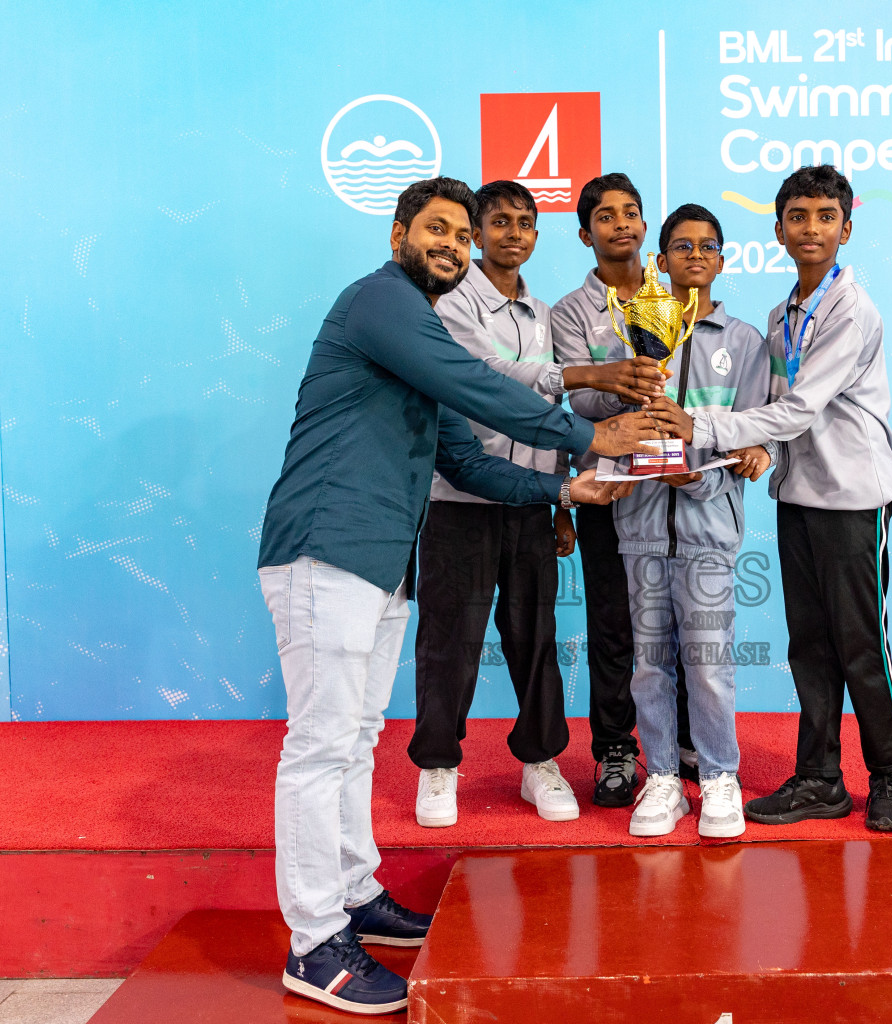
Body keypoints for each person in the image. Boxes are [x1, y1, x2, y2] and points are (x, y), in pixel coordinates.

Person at [256, 177, 656, 1015]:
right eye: (435, 229)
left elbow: (464, 459)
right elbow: (479, 388)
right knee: (323, 745)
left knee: (359, 737)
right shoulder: (381, 302)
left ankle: (355, 895)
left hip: (380, 560)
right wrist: (587, 434)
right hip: (326, 546)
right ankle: (312, 942)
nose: (452, 244)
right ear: (400, 232)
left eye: (459, 235)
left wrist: (563, 491)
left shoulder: (416, 330)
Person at [649, 165, 892, 834]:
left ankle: (888, 778)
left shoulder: (851, 310)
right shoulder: (781, 313)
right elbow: (772, 412)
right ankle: (820, 777)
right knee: (810, 646)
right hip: (798, 495)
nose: (811, 228)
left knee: (861, 645)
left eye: (826, 217)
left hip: (853, 497)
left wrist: (701, 427)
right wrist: (755, 451)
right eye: (798, 217)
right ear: (778, 230)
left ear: (846, 228)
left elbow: (796, 409)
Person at [410, 180, 668, 830]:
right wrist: (583, 373)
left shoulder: (543, 313)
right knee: (451, 641)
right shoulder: (452, 303)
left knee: (536, 640)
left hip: (531, 499)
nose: (514, 234)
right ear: (477, 232)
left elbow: (551, 416)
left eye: (525, 223)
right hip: (459, 496)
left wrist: (559, 502)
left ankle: (541, 762)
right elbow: (483, 381)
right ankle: (439, 766)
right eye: (498, 222)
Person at [579, 203, 775, 838]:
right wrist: (621, 394)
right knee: (648, 662)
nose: (695, 254)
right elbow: (591, 408)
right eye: (681, 246)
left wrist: (696, 477)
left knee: (710, 661)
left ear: (721, 261)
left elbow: (754, 434)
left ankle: (720, 778)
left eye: (707, 246)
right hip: (638, 526)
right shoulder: (628, 334)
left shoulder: (744, 343)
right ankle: (663, 777)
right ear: (659, 262)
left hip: (708, 528)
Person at [552, 172, 698, 806]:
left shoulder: (679, 299)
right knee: (613, 622)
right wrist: (625, 382)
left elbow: (702, 391)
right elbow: (573, 398)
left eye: (631, 213)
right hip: (609, 490)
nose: (621, 224)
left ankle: (688, 740)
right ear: (586, 234)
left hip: (674, 488)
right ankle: (615, 748)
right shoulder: (567, 313)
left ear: (645, 226)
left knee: (683, 620)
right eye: (605, 216)